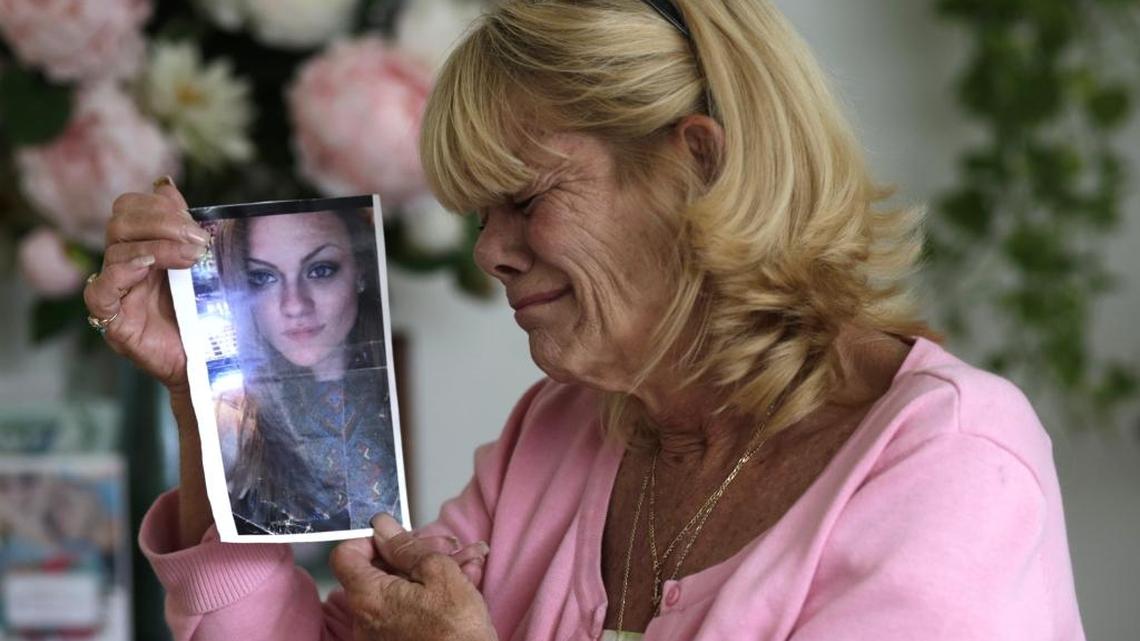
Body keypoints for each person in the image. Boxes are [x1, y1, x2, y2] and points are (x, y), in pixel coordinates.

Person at [82, 0, 1086, 639]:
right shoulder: (558, 431)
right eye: (478, 214)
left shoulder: (948, 459)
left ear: (696, 166)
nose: (490, 250)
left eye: (526, 198)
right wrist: (210, 393)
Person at [209, 210, 400, 534]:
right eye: (263, 277)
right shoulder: (230, 423)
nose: (295, 305)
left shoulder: (414, 393)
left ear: (360, 271)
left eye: (320, 270)